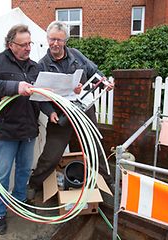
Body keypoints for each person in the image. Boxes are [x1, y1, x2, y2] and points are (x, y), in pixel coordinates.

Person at [29, 21, 114, 193]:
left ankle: (107, 181)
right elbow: (38, 96)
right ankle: (34, 185)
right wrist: (49, 112)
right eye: (52, 39)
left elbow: (94, 71)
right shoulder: (41, 65)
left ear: (65, 41)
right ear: (47, 39)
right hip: (60, 114)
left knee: (94, 146)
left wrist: (104, 81)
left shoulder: (76, 55)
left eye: (59, 40)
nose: (55, 44)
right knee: (52, 154)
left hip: (83, 108)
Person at [0, 24, 40, 235]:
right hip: (5, 130)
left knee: (24, 170)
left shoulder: (34, 67)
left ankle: (20, 201)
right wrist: (16, 87)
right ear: (11, 45)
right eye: (23, 44)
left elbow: (40, 95)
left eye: (29, 44)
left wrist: (51, 109)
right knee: (2, 174)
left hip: (29, 129)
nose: (28, 48)